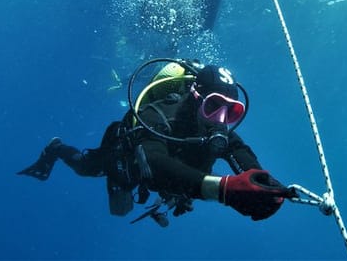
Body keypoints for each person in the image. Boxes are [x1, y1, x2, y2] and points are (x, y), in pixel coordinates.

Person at [18, 59, 296, 226]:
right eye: (214, 106)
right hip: (123, 158)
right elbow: (154, 162)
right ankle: (56, 148)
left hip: (173, 180)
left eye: (231, 111)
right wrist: (223, 189)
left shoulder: (215, 126)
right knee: (85, 168)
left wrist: (259, 180)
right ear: (195, 95)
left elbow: (237, 148)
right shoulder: (158, 114)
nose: (221, 120)